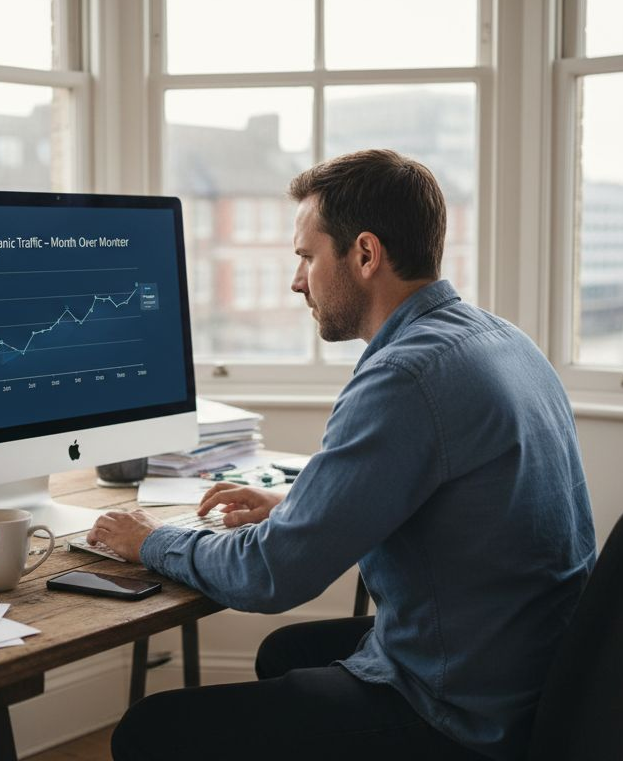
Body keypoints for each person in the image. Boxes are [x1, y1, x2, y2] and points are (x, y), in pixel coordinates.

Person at [88, 149, 596, 761]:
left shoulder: (405, 375)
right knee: (285, 654)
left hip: (457, 708)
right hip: (524, 670)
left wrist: (147, 541)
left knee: (150, 730)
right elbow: (449, 499)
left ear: (363, 254)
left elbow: (270, 575)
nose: (296, 280)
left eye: (306, 257)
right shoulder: (499, 339)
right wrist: (296, 505)